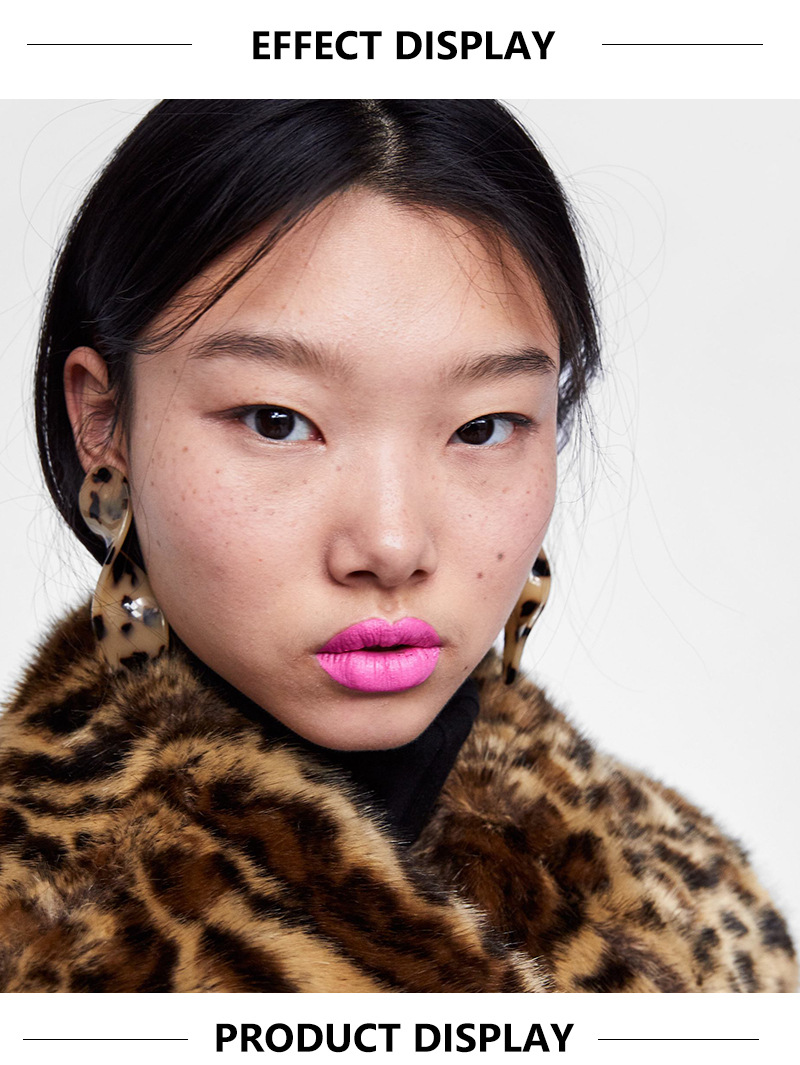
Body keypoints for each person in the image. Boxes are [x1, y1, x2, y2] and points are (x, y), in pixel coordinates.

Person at [0, 99, 794, 993]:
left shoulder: (691, 907)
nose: (391, 543)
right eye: (277, 420)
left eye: (484, 426)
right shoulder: (35, 934)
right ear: (103, 422)